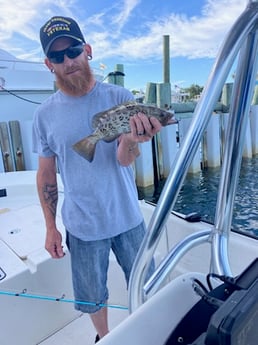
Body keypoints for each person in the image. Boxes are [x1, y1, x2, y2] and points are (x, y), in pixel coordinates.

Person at [33, 16, 162, 343]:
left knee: (145, 281)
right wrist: (51, 227)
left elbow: (123, 159)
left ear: (87, 50)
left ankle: (148, 329)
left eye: (73, 50)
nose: (68, 61)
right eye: (58, 57)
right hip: (82, 225)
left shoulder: (119, 96)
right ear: (49, 64)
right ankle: (104, 337)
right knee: (92, 295)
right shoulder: (43, 115)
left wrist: (133, 140)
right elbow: (46, 173)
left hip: (127, 217)